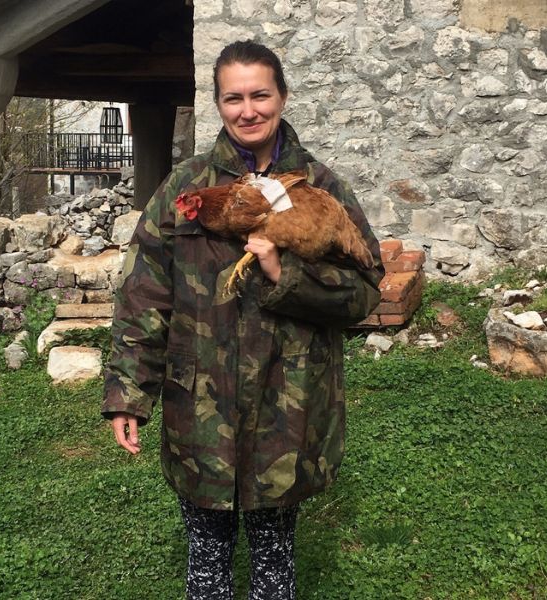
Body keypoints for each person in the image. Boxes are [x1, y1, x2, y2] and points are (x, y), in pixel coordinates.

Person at [102, 40, 384, 599]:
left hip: (290, 404)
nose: (247, 110)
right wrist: (128, 395)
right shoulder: (184, 189)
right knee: (206, 562)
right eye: (234, 97)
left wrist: (286, 275)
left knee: (274, 563)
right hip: (200, 405)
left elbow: (363, 295)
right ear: (218, 103)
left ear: (282, 96)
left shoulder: (321, 189)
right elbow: (143, 295)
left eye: (260, 94)